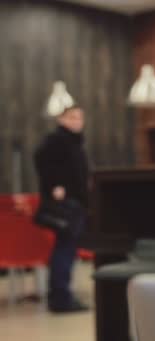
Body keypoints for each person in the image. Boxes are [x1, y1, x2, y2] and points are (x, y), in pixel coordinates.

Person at [34, 105, 89, 312]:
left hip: (76, 203)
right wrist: (55, 185)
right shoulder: (57, 140)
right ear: (61, 119)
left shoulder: (74, 142)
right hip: (66, 205)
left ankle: (62, 296)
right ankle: (60, 299)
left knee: (67, 250)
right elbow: (40, 158)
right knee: (64, 251)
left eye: (79, 117)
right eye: (72, 117)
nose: (76, 121)